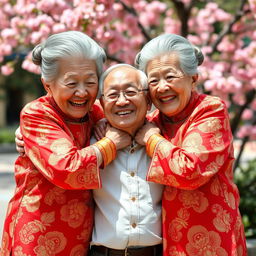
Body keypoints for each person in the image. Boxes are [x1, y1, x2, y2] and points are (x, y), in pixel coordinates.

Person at [0, 31, 131, 256]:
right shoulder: (37, 114)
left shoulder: (96, 112)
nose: (82, 92)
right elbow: (67, 168)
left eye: (90, 82)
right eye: (71, 83)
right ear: (47, 85)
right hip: (37, 236)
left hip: (81, 236)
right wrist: (110, 143)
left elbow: (135, 117)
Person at [134, 33, 247, 255]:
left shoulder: (210, 110)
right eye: (153, 80)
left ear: (193, 78)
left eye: (170, 77)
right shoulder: (152, 121)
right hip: (170, 244)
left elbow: (190, 169)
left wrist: (152, 139)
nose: (162, 87)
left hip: (215, 241)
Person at [89, 64, 163, 256]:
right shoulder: (88, 145)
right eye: (113, 95)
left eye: (130, 92)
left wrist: (153, 139)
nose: (122, 101)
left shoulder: (166, 142)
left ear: (148, 101)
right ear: (102, 104)